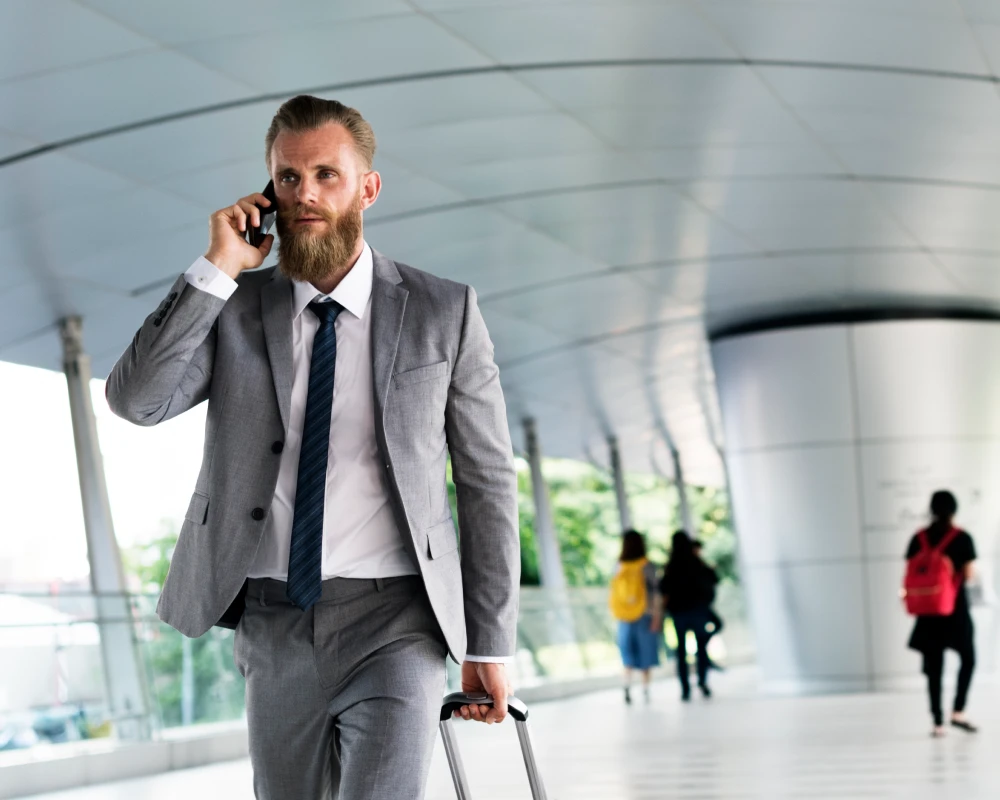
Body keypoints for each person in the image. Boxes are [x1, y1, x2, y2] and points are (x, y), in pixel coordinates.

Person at [106, 96, 520, 799]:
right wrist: (217, 267)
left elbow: (486, 483)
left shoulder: (444, 311)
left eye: (327, 174)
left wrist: (489, 643)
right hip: (273, 620)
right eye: (288, 178)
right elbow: (137, 400)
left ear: (368, 186)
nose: (306, 195)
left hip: (398, 620)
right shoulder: (233, 308)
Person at [905, 490, 978, 738]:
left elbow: (912, 572)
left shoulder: (919, 538)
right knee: (968, 659)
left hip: (927, 614)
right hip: (955, 610)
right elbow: (968, 575)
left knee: (934, 668)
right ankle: (957, 711)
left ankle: (937, 722)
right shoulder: (962, 538)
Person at [660, 531, 718, 701]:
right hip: (698, 611)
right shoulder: (696, 562)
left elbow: (664, 590)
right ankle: (702, 681)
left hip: (679, 614)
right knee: (701, 649)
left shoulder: (671, 566)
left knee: (681, 652)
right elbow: (713, 579)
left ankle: (685, 688)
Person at [610, 530, 662, 704]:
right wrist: (657, 616)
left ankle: (626, 685)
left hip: (624, 616)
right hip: (644, 615)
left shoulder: (618, 566)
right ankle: (645, 689)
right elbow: (655, 592)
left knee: (627, 653)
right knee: (646, 652)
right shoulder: (647, 565)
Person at [691, 538, 725, 671]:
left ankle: (703, 653)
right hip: (698, 607)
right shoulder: (694, 565)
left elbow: (714, 580)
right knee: (706, 633)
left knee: (716, 626)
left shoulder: (701, 564)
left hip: (703, 606)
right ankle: (703, 657)